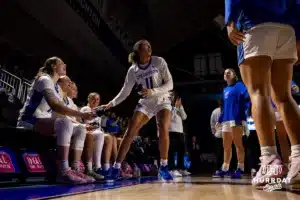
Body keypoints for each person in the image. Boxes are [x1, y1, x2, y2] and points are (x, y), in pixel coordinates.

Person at [225, 0, 300, 190]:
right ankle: (299, 159)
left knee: (259, 92)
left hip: (254, 22)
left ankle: (269, 160)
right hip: (287, 26)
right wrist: (298, 34)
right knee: (284, 97)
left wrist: (230, 19)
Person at [100, 40, 174, 180]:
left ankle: (164, 165)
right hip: (146, 102)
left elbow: (170, 84)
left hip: (162, 98)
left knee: (163, 127)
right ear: (138, 51)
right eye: (146, 46)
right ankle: (116, 168)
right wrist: (111, 104)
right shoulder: (133, 70)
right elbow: (125, 91)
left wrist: (153, 91)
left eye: (149, 46)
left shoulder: (159, 61)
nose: (149, 48)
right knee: (130, 131)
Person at [17, 57, 95, 184]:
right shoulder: (44, 79)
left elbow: (59, 112)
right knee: (65, 123)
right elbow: (55, 106)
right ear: (53, 66)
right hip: (29, 121)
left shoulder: (56, 87)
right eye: (62, 63)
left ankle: (75, 168)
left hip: (45, 121)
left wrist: (80, 122)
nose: (65, 64)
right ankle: (63, 171)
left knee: (80, 128)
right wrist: (81, 114)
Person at [214, 68, 249, 179]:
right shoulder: (225, 90)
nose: (226, 74)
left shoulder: (240, 86)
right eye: (225, 73)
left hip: (236, 118)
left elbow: (248, 99)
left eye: (229, 72)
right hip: (226, 120)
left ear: (234, 75)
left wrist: (244, 113)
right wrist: (219, 120)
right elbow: (224, 107)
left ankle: (240, 168)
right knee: (226, 146)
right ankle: (225, 168)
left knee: (238, 144)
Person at [273, 81, 299, 166]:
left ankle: (296, 161)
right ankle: (287, 163)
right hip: (275, 111)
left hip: (286, 109)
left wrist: (296, 90)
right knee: (282, 139)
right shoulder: (264, 77)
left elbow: (295, 90)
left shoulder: (281, 75)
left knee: (294, 136)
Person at [168, 91, 190, 177]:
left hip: (180, 132)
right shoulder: (167, 107)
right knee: (171, 151)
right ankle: (172, 169)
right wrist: (176, 108)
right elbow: (170, 117)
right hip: (171, 131)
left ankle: (181, 168)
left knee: (181, 150)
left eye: (173, 95)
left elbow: (184, 117)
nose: (172, 97)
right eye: (170, 95)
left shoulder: (177, 106)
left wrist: (180, 107)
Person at [210, 99, 223, 171]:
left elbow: (212, 123)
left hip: (218, 135)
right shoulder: (228, 110)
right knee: (227, 153)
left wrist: (214, 132)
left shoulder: (214, 111)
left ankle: (218, 169)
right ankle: (226, 169)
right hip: (226, 135)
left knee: (218, 153)